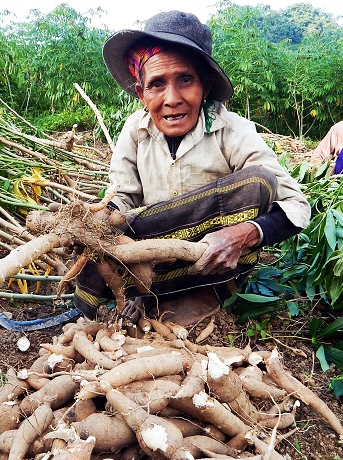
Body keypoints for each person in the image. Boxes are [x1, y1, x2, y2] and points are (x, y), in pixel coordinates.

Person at [74, 10, 310, 327]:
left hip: (215, 261)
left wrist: (243, 234)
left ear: (205, 85)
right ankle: (102, 304)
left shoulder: (232, 131)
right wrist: (98, 218)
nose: (172, 99)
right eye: (157, 84)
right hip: (152, 260)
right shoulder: (135, 130)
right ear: (141, 92)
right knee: (106, 234)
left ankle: (203, 295)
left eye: (186, 80)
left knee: (258, 182)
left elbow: (297, 208)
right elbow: (123, 197)